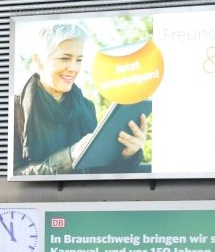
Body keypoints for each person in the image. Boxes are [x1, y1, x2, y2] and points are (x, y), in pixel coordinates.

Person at [13, 23, 147, 176]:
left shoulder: (86, 107)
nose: (73, 68)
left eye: (79, 59)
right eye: (65, 58)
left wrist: (126, 154)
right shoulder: (15, 109)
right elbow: (10, 179)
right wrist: (70, 157)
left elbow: (97, 171)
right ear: (38, 60)